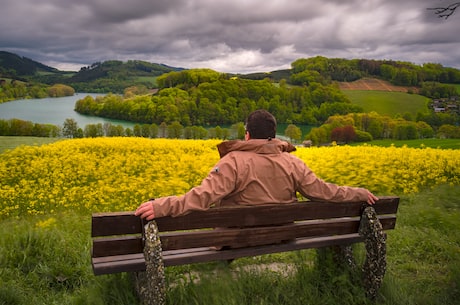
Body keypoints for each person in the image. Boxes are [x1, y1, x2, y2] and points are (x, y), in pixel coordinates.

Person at [135, 109, 378, 221]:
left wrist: (161, 206)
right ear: (274, 136)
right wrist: (358, 193)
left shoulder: (232, 161)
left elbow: (203, 196)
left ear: (247, 135)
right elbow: (324, 191)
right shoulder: (293, 162)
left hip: (238, 237)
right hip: (282, 234)